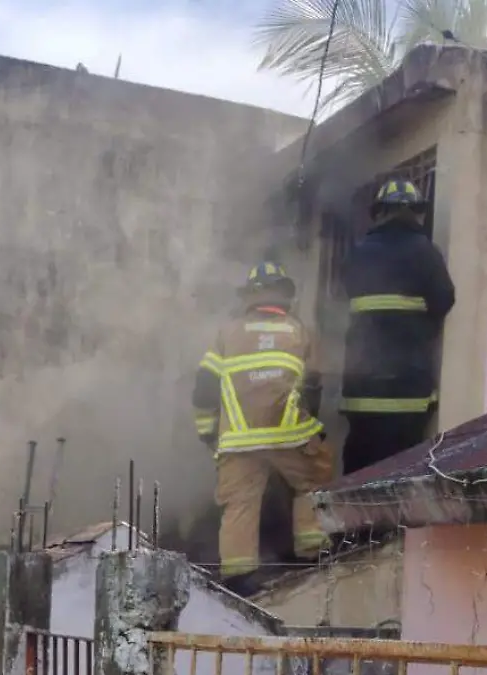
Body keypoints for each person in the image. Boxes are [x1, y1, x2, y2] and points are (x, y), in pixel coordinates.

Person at [192, 262, 334, 595]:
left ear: (248, 297)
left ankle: (239, 577)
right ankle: (312, 553)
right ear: (284, 294)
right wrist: (311, 427)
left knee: (239, 502)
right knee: (312, 482)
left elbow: (204, 389)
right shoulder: (300, 332)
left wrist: (208, 433)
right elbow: (313, 387)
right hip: (289, 434)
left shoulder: (226, 334)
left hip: (238, 439)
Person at [339, 178, 456, 475]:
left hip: (361, 390)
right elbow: (444, 300)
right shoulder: (426, 252)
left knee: (358, 472)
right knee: (401, 473)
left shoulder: (358, 253)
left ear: (379, 213)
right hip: (408, 390)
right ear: (417, 213)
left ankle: (354, 507)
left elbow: (345, 294)